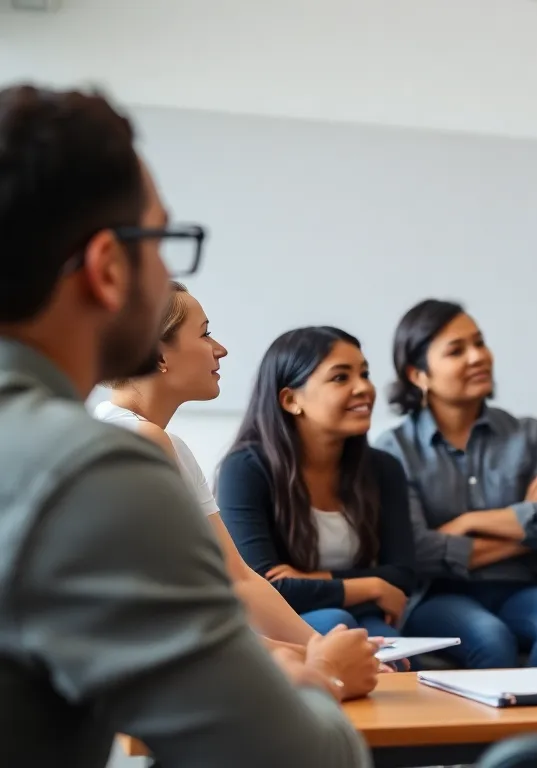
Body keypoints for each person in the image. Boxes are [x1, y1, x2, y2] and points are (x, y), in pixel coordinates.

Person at [0, 83, 368, 767]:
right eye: (162, 240)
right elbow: (297, 757)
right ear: (109, 267)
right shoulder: (93, 472)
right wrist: (317, 679)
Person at [95, 281, 341, 652]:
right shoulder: (142, 439)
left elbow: (238, 578)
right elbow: (179, 602)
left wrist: (317, 648)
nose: (220, 349)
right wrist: (310, 654)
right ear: (158, 355)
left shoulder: (162, 442)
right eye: (205, 334)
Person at [375, 299, 537, 668]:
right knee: (490, 638)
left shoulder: (529, 434)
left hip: (526, 587)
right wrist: (525, 530)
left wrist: (466, 524)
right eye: (456, 350)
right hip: (437, 596)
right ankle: (496, 730)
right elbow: (417, 551)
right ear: (417, 375)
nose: (477, 357)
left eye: (479, 342)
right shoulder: (394, 449)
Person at [217, 326, 417, 642]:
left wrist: (316, 579)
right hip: (279, 622)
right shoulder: (244, 469)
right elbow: (264, 587)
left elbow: (403, 574)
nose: (363, 388)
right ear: (291, 400)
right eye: (341, 378)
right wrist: (371, 586)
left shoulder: (383, 467)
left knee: (395, 652)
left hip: (360, 613)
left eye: (364, 374)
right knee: (342, 624)